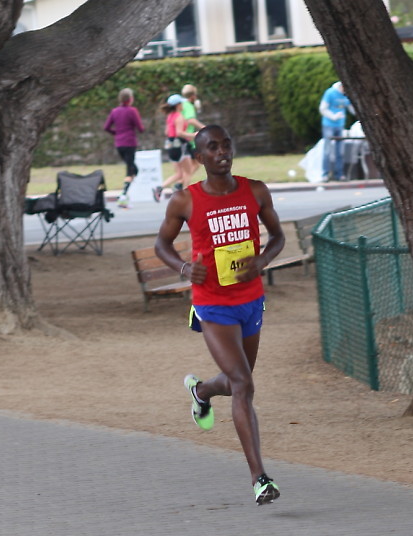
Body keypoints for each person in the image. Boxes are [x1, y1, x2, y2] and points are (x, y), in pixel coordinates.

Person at [154, 124, 285, 506]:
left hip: (250, 301)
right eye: (212, 147)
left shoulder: (255, 190)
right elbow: (162, 243)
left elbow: (277, 237)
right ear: (200, 158)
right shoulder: (185, 200)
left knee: (236, 382)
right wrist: (181, 268)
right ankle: (260, 478)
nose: (222, 152)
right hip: (212, 305)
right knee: (244, 384)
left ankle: (201, 391)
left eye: (226, 145)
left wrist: (261, 260)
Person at [103, 88, 145, 208]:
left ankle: (125, 195)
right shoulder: (132, 111)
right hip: (130, 143)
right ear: (130, 99)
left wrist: (116, 133)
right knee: (130, 170)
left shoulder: (114, 111)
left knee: (133, 169)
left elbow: (106, 127)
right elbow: (140, 128)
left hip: (119, 144)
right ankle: (123, 196)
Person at [155, 94, 196, 202]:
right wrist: (194, 135)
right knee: (188, 172)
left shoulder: (169, 116)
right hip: (180, 145)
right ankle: (187, 196)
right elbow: (179, 133)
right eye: (181, 103)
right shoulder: (179, 116)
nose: (183, 105)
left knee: (179, 173)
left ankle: (159, 188)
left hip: (170, 145)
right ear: (178, 105)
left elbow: (167, 132)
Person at [319, 81, 355, 182]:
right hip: (329, 125)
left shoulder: (345, 95)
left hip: (340, 125)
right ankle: (325, 174)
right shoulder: (330, 93)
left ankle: (339, 174)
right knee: (328, 150)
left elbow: (351, 108)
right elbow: (323, 108)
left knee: (340, 151)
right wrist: (333, 117)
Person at [181, 84, 207, 177]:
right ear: (192, 96)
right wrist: (203, 127)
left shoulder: (182, 104)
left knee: (194, 164)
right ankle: (181, 182)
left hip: (186, 137)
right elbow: (190, 120)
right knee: (195, 164)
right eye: (195, 95)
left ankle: (181, 182)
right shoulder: (188, 105)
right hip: (188, 138)